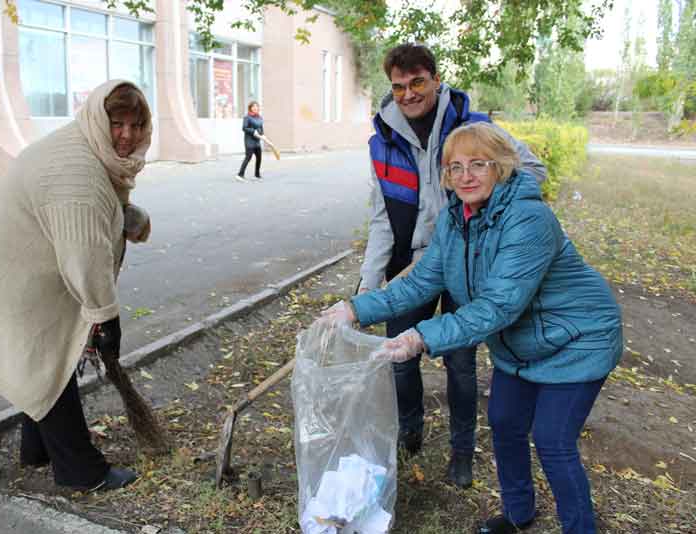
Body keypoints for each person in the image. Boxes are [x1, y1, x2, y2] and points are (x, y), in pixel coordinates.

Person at [325, 122, 623, 534]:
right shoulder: (455, 219)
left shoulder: (528, 219)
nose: (465, 176)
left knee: (553, 440)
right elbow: (420, 281)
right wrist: (354, 309)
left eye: (477, 164)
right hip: (521, 346)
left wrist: (421, 337)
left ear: (500, 166)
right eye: (454, 167)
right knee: (504, 421)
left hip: (577, 340)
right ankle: (518, 517)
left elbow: (498, 306)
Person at [0, 79, 154, 492]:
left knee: (44, 360)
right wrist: (106, 318)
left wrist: (128, 220)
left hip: (11, 265)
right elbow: (85, 255)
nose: (126, 136)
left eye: (136, 125)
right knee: (48, 360)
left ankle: (37, 448)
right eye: (117, 123)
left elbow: (100, 214)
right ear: (99, 118)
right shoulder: (78, 171)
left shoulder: (86, 149)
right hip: (6, 276)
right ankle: (81, 470)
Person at [359, 43, 548, 487]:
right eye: (398, 86)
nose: (408, 94)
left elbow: (532, 170)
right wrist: (369, 282)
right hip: (412, 266)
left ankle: (462, 450)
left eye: (417, 82)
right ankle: (410, 432)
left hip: (468, 261)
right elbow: (381, 217)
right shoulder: (381, 142)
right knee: (399, 357)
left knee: (460, 363)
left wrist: (476, 214)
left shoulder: (473, 127)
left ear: (436, 80)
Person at [236, 101, 264, 182]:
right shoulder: (247, 117)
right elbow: (244, 128)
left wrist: (262, 134)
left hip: (257, 141)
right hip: (249, 141)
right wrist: (253, 131)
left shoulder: (260, 117)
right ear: (250, 108)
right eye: (253, 106)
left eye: (257, 106)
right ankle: (240, 175)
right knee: (248, 157)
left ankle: (257, 175)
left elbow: (261, 129)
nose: (255, 108)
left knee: (259, 158)